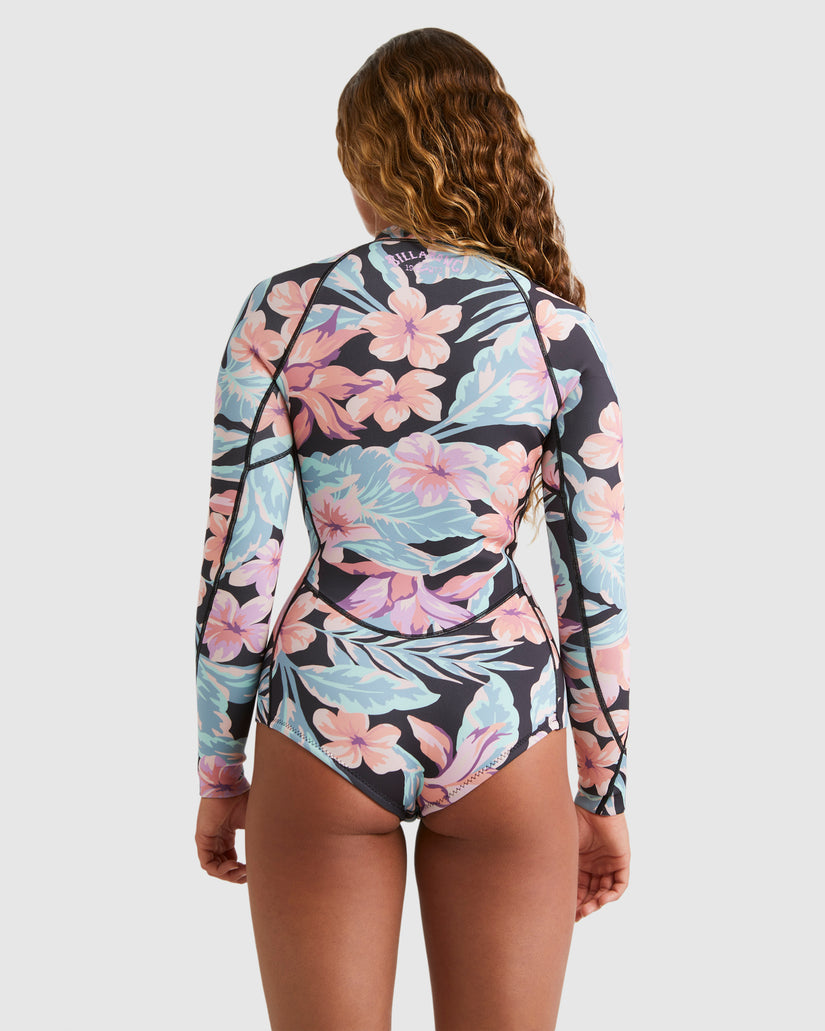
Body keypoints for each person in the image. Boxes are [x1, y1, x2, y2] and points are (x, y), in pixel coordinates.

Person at [194, 26, 630, 1031]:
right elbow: (593, 581)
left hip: (324, 714)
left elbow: (239, 567)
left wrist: (220, 770)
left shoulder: (284, 313)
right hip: (503, 720)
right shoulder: (556, 331)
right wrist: (603, 790)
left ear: (363, 168)